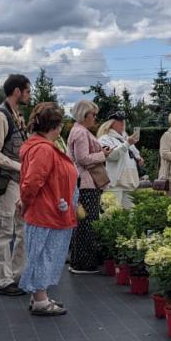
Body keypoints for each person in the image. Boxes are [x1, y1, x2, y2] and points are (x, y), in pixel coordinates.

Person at [18, 103, 78, 316]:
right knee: (44, 254)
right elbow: (32, 181)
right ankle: (41, 300)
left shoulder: (40, 146)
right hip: (47, 211)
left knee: (43, 253)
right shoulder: (44, 149)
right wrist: (25, 202)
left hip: (49, 209)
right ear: (57, 125)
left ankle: (39, 297)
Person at [0, 74, 30, 295]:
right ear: (17, 91)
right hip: (7, 181)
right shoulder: (0, 117)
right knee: (3, 229)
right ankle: (3, 279)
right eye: (27, 91)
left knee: (22, 228)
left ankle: (16, 273)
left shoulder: (14, 116)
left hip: (18, 181)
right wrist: (18, 166)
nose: (29, 95)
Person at [67, 100, 108, 273]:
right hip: (86, 183)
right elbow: (82, 158)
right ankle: (83, 263)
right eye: (93, 114)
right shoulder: (81, 133)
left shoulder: (77, 130)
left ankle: (78, 260)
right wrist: (102, 154)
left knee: (83, 222)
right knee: (87, 223)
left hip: (83, 181)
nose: (95, 118)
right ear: (84, 115)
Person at [97, 111, 143, 209]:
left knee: (132, 215)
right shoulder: (104, 139)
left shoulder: (125, 137)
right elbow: (111, 156)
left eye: (123, 120)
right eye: (119, 120)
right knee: (112, 214)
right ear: (111, 123)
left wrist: (139, 158)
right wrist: (127, 144)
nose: (122, 123)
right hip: (115, 184)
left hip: (130, 181)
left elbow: (135, 153)